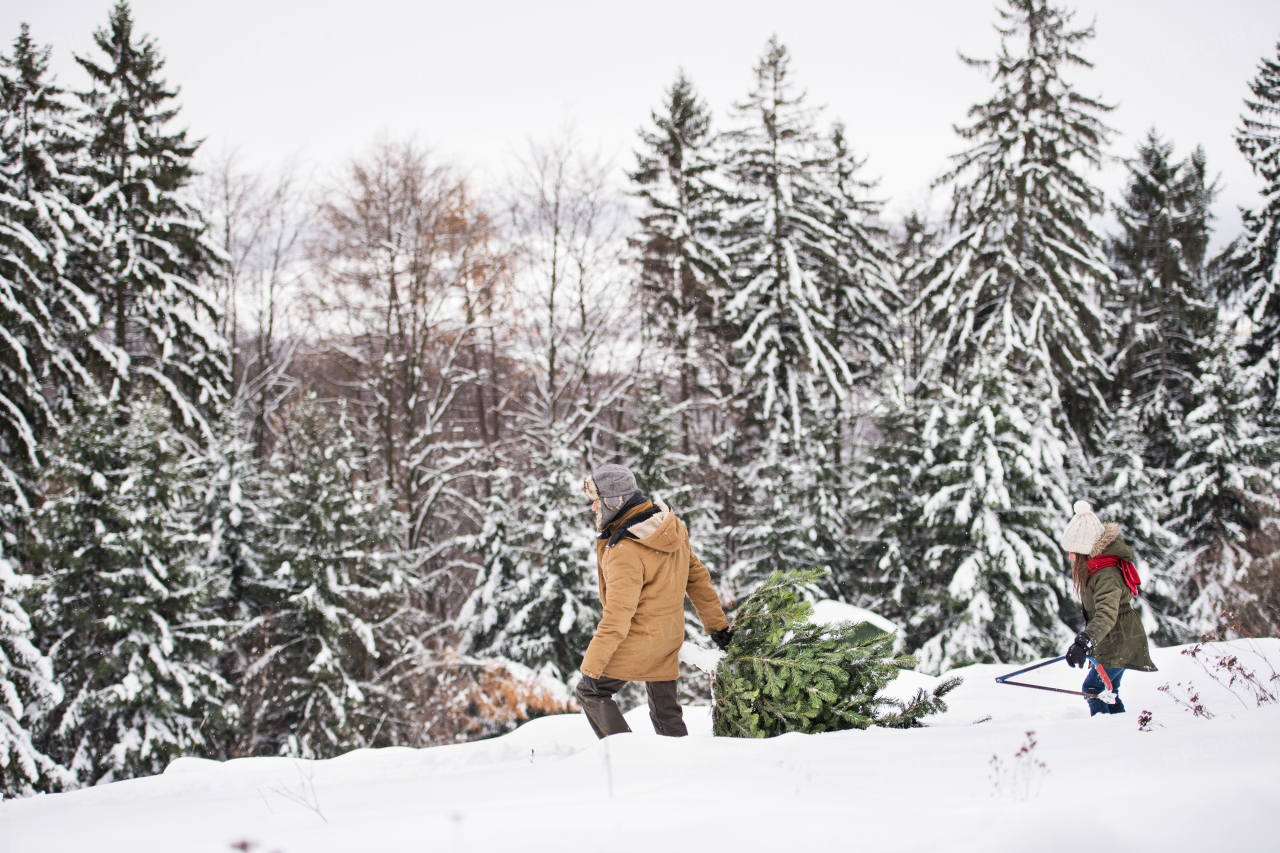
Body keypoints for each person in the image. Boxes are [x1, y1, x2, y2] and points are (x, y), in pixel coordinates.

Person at [575, 464, 732, 738]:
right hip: (668, 636)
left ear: (615, 501)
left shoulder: (625, 548)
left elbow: (618, 615)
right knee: (666, 712)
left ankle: (624, 753)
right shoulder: (670, 526)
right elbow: (697, 579)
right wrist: (718, 626)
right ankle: (677, 759)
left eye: (597, 502)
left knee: (590, 690)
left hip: (638, 639)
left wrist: (593, 664)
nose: (593, 509)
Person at [1059, 500, 1158, 715]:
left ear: (1085, 550)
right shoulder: (1098, 568)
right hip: (1113, 639)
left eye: (1073, 551)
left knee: (1093, 689)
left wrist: (1084, 641)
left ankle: (1105, 736)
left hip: (1120, 640)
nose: (1070, 557)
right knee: (1108, 691)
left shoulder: (1106, 574)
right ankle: (1119, 733)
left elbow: (1106, 614)